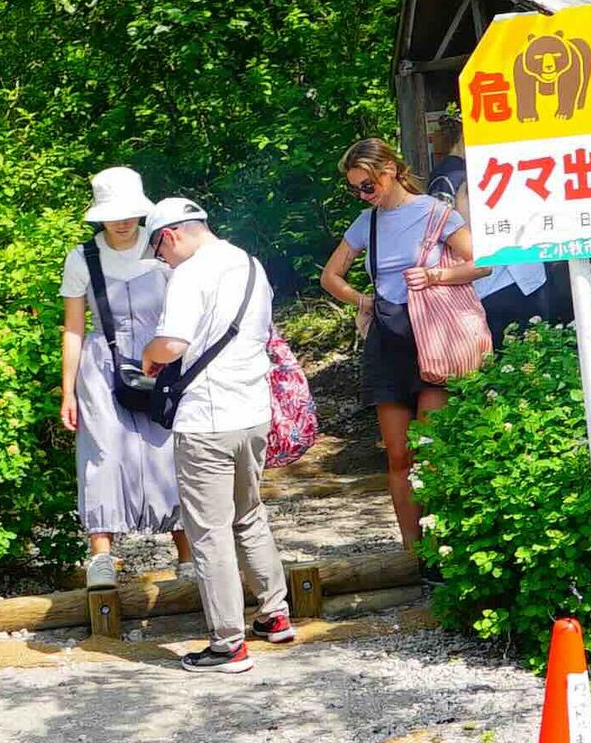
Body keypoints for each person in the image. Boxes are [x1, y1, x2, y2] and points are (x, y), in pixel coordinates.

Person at [139, 197, 287, 668]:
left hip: (207, 419)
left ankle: (228, 643)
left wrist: (148, 355)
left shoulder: (190, 273)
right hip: (253, 412)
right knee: (249, 514)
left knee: (209, 532)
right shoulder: (250, 264)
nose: (164, 260)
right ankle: (274, 615)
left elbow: (173, 344)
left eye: (160, 251)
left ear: (170, 235)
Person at [318, 137, 477, 552]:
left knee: (431, 452)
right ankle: (412, 550)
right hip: (388, 339)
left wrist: (437, 276)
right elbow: (330, 276)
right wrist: (363, 300)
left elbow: (481, 263)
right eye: (356, 189)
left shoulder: (435, 213)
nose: (362, 194)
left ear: (389, 171)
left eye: (367, 186)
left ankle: (442, 547)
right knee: (397, 455)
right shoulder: (366, 222)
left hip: (434, 336)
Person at [58, 165, 182, 584]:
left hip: (161, 356)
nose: (123, 221)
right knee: (102, 454)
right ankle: (101, 559)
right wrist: (68, 391)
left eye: (130, 212)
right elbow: (74, 328)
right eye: (114, 214)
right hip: (100, 363)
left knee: (168, 450)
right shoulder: (82, 258)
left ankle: (188, 556)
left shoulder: (163, 246)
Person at [421, 110, 548, 345]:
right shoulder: (453, 175)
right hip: (496, 278)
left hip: (510, 274)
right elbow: (449, 230)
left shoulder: (476, 169)